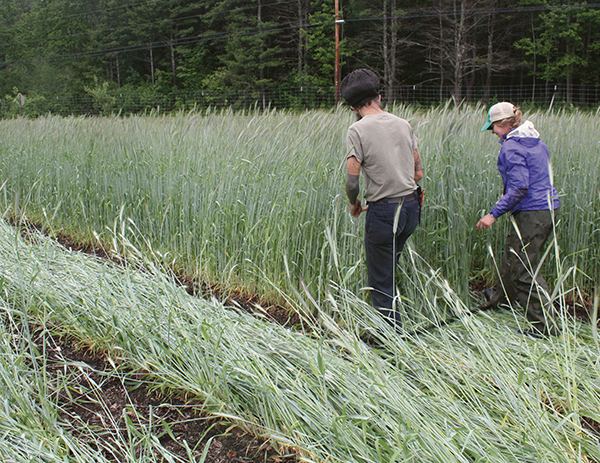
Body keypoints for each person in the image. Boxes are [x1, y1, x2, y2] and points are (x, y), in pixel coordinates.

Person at [340, 69, 423, 328]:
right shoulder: (403, 124)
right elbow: (418, 172)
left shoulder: (357, 129)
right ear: (379, 95)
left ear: (353, 106)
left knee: (381, 280)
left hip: (384, 213)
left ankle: (391, 344)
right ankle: (396, 326)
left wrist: (354, 204)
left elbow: (352, 181)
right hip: (411, 207)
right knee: (390, 268)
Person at [477, 102, 560, 337]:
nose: (492, 132)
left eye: (493, 126)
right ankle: (501, 301)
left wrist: (493, 214)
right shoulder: (536, 141)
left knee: (523, 269)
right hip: (547, 209)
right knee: (513, 257)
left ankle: (544, 327)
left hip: (531, 212)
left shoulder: (511, 148)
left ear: (504, 124)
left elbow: (520, 187)